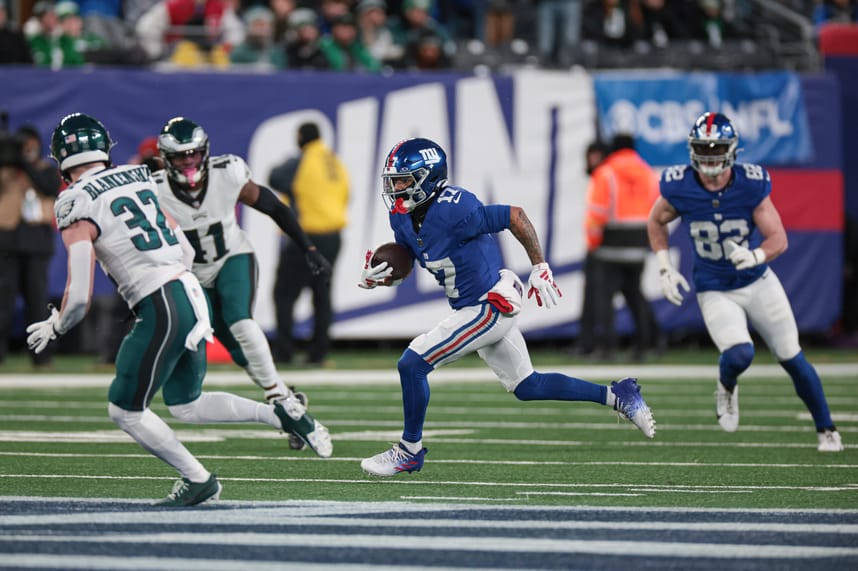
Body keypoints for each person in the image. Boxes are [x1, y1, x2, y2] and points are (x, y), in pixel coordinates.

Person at [26, 113, 332, 506]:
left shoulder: (74, 200)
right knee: (186, 403)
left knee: (125, 411)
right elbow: (184, 247)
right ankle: (283, 415)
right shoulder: (137, 177)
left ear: (60, 157)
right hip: (189, 289)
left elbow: (80, 295)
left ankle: (198, 479)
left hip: (163, 300)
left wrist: (56, 325)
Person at [358, 137, 656, 477]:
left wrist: (540, 266)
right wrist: (384, 277)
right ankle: (618, 395)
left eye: (402, 181)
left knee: (412, 363)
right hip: (471, 307)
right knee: (529, 386)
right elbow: (412, 257)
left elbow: (514, 216)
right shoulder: (402, 217)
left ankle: (409, 450)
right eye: (392, 181)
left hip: (489, 304)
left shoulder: (455, 207)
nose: (395, 189)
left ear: (428, 178)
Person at [647, 111, 843, 453]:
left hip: (757, 280)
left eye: (716, 148)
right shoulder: (679, 185)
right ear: (692, 150)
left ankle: (826, 429)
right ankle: (726, 385)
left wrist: (755, 256)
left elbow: (778, 237)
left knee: (791, 356)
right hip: (714, 287)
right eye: (703, 149)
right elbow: (655, 221)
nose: (709, 156)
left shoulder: (751, 184)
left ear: (732, 149)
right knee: (739, 353)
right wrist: (664, 265)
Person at [152, 116, 332, 452]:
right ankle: (290, 403)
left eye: (194, 154)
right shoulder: (154, 190)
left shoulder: (228, 172)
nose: (189, 162)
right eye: (181, 156)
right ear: (166, 158)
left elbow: (275, 207)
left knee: (238, 318)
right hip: (193, 277)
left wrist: (307, 247)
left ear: (204, 152)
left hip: (232, 257)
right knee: (238, 351)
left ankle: (281, 399)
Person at [270, 122, 349, 366]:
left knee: (283, 294)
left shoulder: (301, 161)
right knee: (322, 295)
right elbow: (347, 194)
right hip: (333, 236)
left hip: (306, 236)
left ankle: (284, 352)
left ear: (302, 137)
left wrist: (295, 197)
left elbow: (274, 177)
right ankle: (319, 353)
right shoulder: (334, 161)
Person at [583, 133, 661, 361]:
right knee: (635, 296)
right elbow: (657, 209)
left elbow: (597, 212)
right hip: (638, 243)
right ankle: (644, 346)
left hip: (610, 244)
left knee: (604, 299)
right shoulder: (647, 172)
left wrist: (592, 243)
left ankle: (607, 347)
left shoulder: (606, 172)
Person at [0, 124, 61, 367]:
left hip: (37, 243)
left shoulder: (46, 171)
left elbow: (49, 188)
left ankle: (41, 357)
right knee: (3, 304)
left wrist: (25, 163)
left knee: (37, 302)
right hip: (7, 242)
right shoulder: (5, 172)